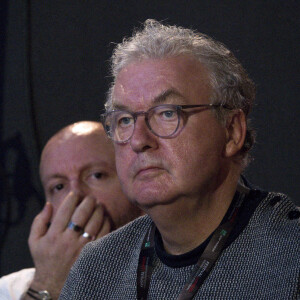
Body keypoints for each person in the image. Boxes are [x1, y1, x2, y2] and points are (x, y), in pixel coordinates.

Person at [60, 20, 300, 299]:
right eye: (125, 119)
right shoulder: (96, 271)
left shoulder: (290, 255)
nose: (138, 140)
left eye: (167, 114)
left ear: (232, 131)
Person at [0, 121, 142, 300]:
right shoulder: (10, 291)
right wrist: (49, 284)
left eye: (97, 175)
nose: (75, 196)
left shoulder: (175, 281)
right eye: (59, 186)